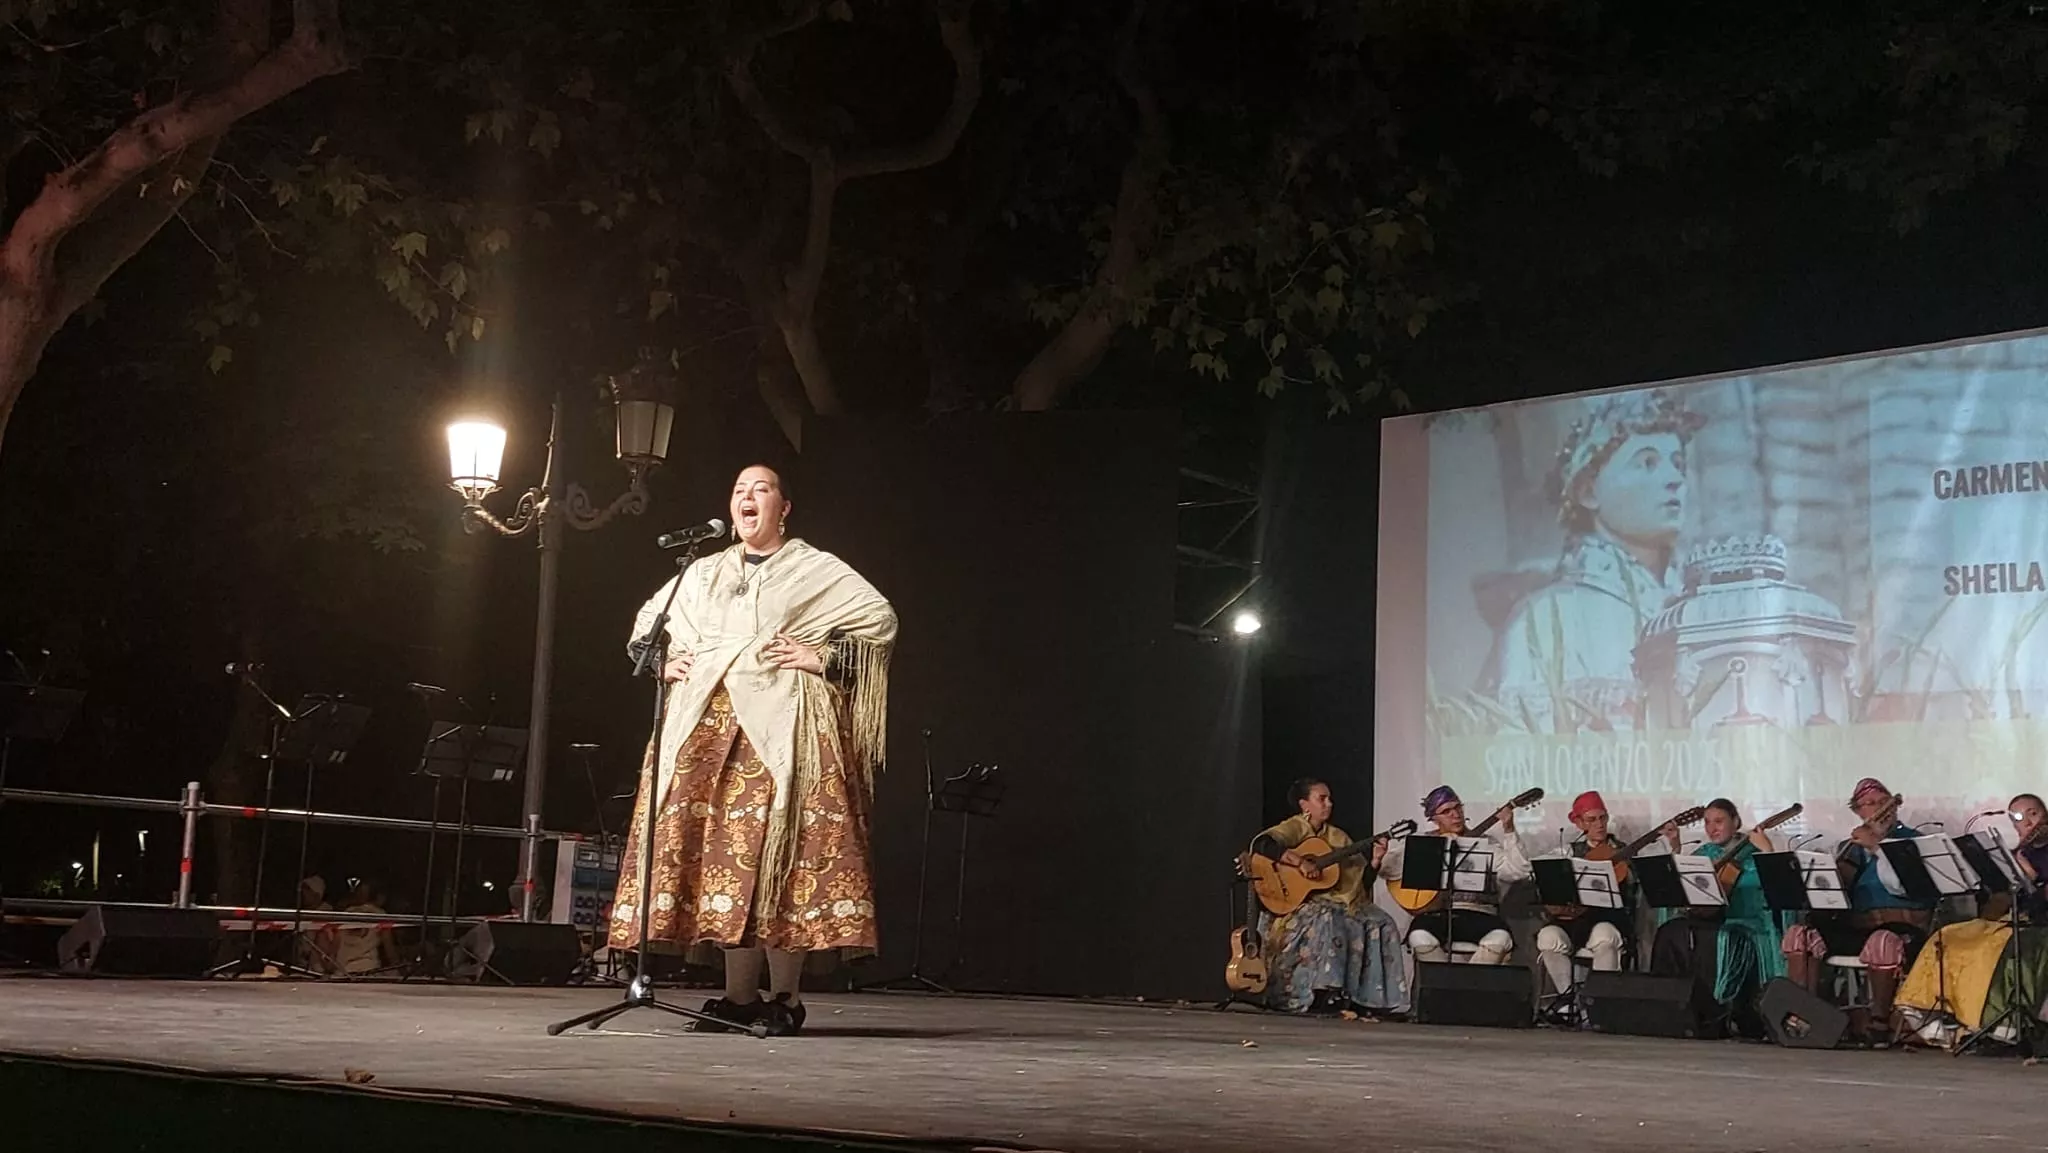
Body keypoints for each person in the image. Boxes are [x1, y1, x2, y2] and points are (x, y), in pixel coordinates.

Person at [608, 464, 897, 1037]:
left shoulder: (812, 568)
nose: (747, 497)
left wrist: (824, 658)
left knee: (780, 856)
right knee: (722, 860)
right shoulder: (704, 570)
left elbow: (878, 620)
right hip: (709, 728)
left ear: (784, 508)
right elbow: (648, 623)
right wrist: (665, 661)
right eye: (739, 489)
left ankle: (784, 996)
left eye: (760, 489)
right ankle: (738, 997)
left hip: (783, 728)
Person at [1480, 389, 1704, 733]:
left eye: (1678, 464)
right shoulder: (1543, 620)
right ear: (1588, 491)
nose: (1674, 480)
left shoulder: (1703, 613)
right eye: (1647, 463)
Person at [1780, 778, 1933, 1045]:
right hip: (1858, 926)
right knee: (1799, 935)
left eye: (1880, 802)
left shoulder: (1913, 842)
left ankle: (1879, 1023)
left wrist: (1876, 846)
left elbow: (1905, 888)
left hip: (1902, 925)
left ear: (1893, 807)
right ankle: (1806, 1016)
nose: (1875, 809)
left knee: (1882, 941)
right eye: (1867, 805)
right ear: (1858, 812)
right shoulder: (1850, 847)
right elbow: (1836, 897)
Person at [1247, 778, 1408, 1016]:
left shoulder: (1338, 838)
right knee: (1328, 918)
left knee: (1383, 921)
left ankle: (1372, 1000)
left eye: (1329, 799)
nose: (1329, 804)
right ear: (1305, 805)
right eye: (1321, 799)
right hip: (1301, 902)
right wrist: (1300, 862)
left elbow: (1360, 883)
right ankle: (1323, 993)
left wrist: (1374, 860)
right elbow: (1262, 844)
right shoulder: (1295, 827)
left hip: (1339, 900)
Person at [1647, 799, 1783, 1036]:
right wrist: (1676, 848)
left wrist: (1767, 851)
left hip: (1746, 922)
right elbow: (1685, 884)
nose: (1712, 828)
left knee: (1714, 939)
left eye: (1719, 821)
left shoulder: (1751, 850)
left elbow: (1776, 886)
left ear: (1736, 821)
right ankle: (1669, 1009)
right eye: (1707, 822)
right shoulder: (1705, 852)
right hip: (1711, 920)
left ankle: (1713, 1015)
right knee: (1671, 931)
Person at [1383, 785, 1530, 965]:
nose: (1455, 814)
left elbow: (1518, 871)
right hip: (1438, 914)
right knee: (1419, 936)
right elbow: (1387, 869)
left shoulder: (1486, 843)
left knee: (1500, 938)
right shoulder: (1425, 842)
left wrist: (1509, 829)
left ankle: (1466, 987)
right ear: (1434, 819)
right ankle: (1444, 986)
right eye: (1446, 811)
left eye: (1458, 807)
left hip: (1481, 914)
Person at [1534, 791, 1630, 1001]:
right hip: (1573, 921)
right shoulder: (1567, 852)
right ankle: (1568, 1001)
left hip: (1607, 918)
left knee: (1605, 935)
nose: (1599, 824)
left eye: (1603, 818)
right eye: (1592, 820)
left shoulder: (1623, 851)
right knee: (1548, 936)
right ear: (1579, 824)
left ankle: (1600, 1004)